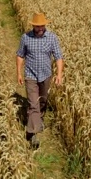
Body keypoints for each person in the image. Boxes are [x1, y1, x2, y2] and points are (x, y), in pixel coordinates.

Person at [16, 12, 64, 148]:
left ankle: (39, 120)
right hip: (30, 76)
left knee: (43, 101)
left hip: (46, 75)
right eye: (37, 26)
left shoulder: (52, 38)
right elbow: (20, 55)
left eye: (42, 26)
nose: (40, 29)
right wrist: (19, 73)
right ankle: (33, 134)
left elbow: (58, 57)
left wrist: (59, 74)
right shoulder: (25, 38)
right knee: (33, 104)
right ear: (33, 26)